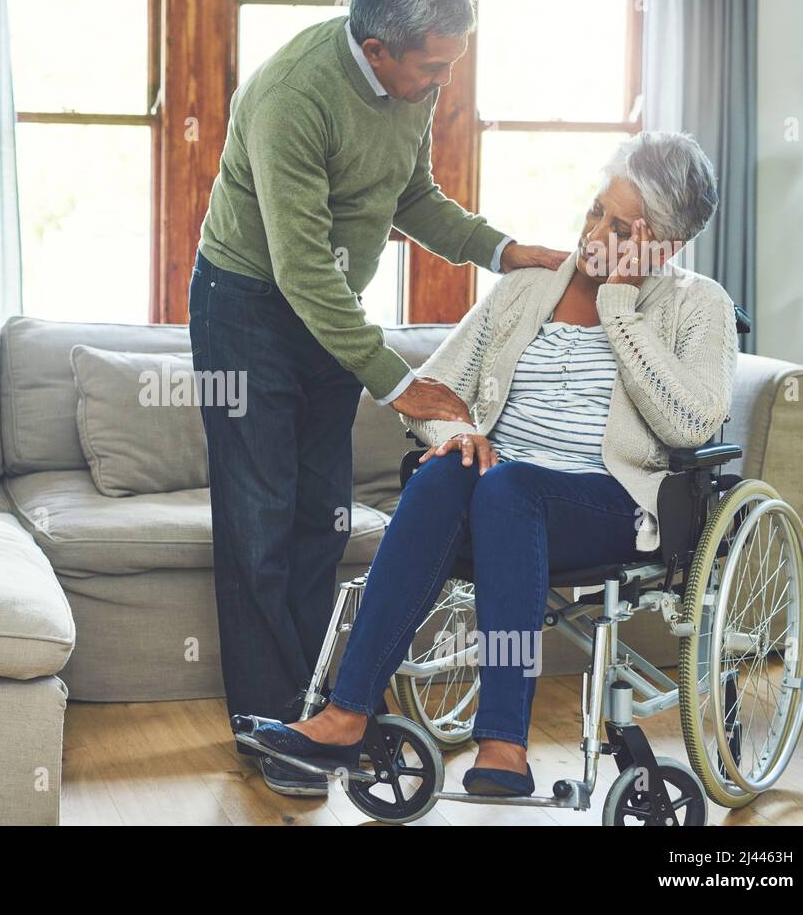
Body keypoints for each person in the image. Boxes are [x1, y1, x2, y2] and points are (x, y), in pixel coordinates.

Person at [242, 130, 738, 797]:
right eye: (595, 210)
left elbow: (691, 421)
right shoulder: (526, 288)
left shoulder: (696, 304)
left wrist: (621, 306)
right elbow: (431, 389)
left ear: (667, 245)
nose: (594, 234)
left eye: (621, 228)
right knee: (449, 469)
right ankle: (345, 714)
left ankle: (504, 738)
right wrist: (459, 429)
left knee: (509, 487)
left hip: (608, 501)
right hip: (500, 493)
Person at [190, 0, 566, 796]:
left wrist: (503, 251)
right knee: (258, 520)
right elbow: (299, 269)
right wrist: (396, 382)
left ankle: (323, 706)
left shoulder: (414, 79)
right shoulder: (295, 95)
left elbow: (413, 196)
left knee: (319, 517)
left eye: (450, 64)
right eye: (432, 67)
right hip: (248, 305)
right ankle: (272, 729)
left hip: (327, 308)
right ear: (377, 47)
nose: (443, 80)